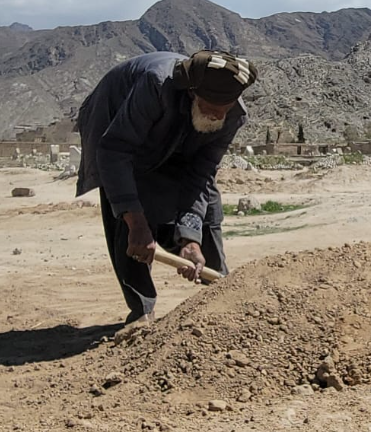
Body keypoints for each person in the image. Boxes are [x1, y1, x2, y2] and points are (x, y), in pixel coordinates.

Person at [75, 50, 257, 325]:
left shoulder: (232, 115)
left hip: (172, 137)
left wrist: (191, 239)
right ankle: (141, 311)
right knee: (130, 208)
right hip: (115, 125)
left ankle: (221, 301)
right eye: (210, 106)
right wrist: (137, 223)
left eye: (225, 107)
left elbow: (201, 175)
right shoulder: (156, 85)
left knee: (209, 208)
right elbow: (115, 152)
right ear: (192, 92)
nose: (217, 114)